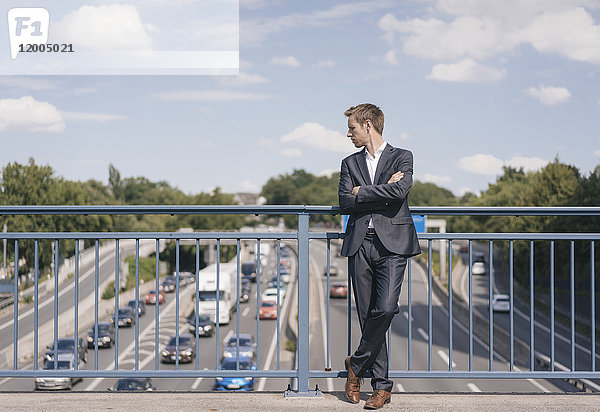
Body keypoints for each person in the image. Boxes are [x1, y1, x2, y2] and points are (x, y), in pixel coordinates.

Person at [338, 103, 421, 409]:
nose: (349, 134)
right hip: (360, 244)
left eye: (353, 128)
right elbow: (346, 202)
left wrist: (363, 191)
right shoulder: (349, 163)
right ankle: (382, 387)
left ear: (369, 125)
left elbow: (400, 192)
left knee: (385, 310)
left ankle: (355, 366)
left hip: (393, 245)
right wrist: (377, 191)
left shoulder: (403, 156)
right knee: (367, 315)